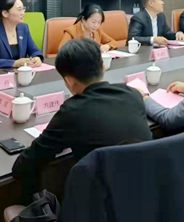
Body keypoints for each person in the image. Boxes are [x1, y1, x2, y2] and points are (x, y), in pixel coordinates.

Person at [12, 38, 152, 202]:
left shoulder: (72, 111)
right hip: (145, 194)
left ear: (69, 81)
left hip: (99, 204)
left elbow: (25, 165)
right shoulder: (133, 94)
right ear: (103, 68)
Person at [0, 0, 44, 68]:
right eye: (19, 9)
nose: (22, 13)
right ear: (5, 13)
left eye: (23, 9)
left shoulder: (23, 28)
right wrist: (14, 63)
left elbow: (34, 50)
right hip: (1, 73)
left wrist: (37, 57)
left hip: (22, 72)